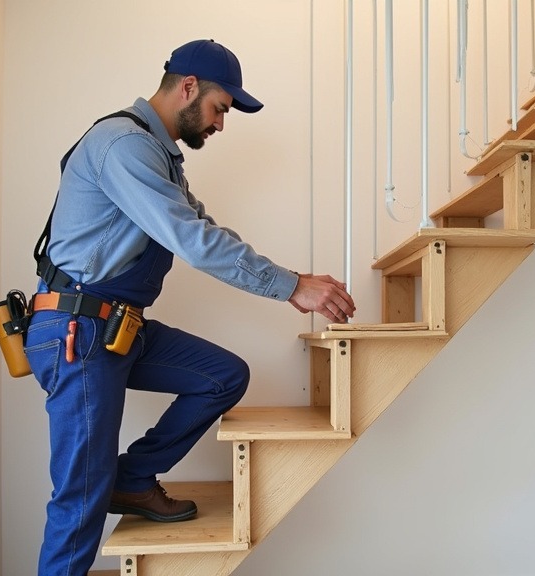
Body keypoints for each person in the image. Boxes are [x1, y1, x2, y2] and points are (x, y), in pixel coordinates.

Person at [23, 38, 356, 576]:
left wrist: (289, 279)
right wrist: (292, 285)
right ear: (188, 87)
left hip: (113, 328)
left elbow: (205, 230)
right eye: (221, 108)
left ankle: (131, 481)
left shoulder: (159, 158)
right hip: (78, 331)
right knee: (79, 498)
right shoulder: (123, 145)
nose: (222, 124)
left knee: (222, 376)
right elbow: (194, 243)